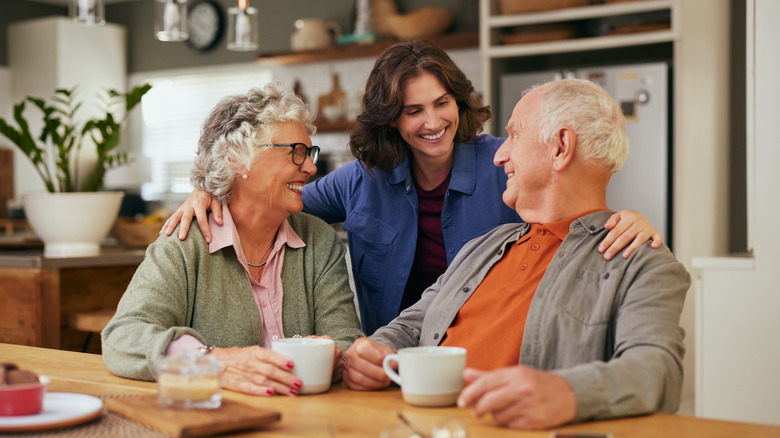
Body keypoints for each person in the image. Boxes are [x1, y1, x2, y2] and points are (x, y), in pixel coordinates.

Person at [161, 40, 663, 335]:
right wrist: (212, 192)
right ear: (391, 120)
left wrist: (626, 219)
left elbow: (572, 209)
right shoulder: (364, 177)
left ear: (459, 103)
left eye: (442, 103)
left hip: (490, 351)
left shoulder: (502, 161)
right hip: (396, 355)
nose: (432, 122)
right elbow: (272, 202)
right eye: (413, 110)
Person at [341, 78, 690, 430]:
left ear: (560, 147)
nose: (499, 155)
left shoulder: (640, 262)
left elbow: (658, 370)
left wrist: (568, 392)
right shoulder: (483, 246)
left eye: (515, 135)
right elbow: (409, 327)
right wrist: (374, 352)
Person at [102, 83, 364, 397]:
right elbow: (123, 337)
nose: (309, 167)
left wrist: (336, 355)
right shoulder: (186, 242)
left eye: (309, 153)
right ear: (238, 159)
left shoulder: (319, 241)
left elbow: (346, 341)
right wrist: (211, 361)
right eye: (296, 152)